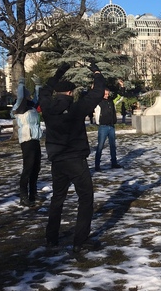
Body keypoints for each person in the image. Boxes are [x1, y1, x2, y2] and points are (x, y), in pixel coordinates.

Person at [39, 62, 105, 253]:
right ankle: (80, 241)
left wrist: (60, 71)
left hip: (57, 159)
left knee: (57, 198)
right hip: (75, 159)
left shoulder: (47, 107)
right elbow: (97, 92)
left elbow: (44, 90)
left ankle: (51, 238)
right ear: (70, 93)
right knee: (85, 198)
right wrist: (96, 72)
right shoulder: (77, 108)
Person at [11, 75, 43, 207]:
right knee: (28, 168)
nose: (30, 97)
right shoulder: (19, 107)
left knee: (36, 167)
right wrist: (21, 84)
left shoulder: (32, 107)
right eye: (28, 95)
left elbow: (38, 98)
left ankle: (33, 193)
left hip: (35, 139)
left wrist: (38, 85)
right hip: (26, 140)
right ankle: (23, 196)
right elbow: (20, 97)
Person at [94, 79, 124, 171]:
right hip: (103, 127)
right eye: (105, 94)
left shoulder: (112, 101)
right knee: (100, 146)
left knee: (112, 146)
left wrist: (122, 86)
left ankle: (114, 163)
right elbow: (91, 96)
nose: (106, 96)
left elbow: (120, 97)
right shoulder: (98, 102)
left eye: (107, 94)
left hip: (111, 127)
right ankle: (97, 165)